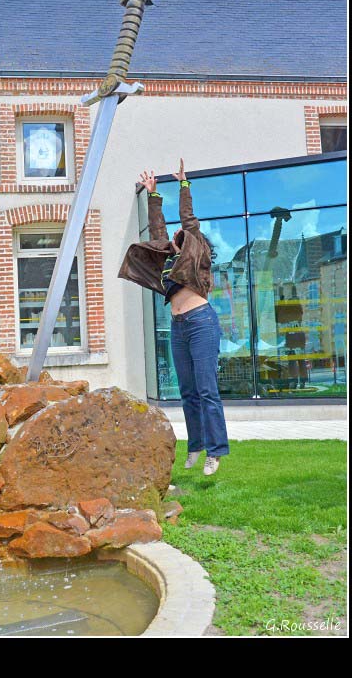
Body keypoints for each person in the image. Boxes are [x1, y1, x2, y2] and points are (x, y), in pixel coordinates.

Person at [118, 158, 230, 475]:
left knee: (207, 390)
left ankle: (215, 451)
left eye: (182, 234)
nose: (178, 233)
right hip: (178, 326)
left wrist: (183, 185)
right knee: (188, 392)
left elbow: (189, 222)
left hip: (201, 322)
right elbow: (158, 230)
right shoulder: (169, 257)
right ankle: (196, 446)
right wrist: (153, 194)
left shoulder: (197, 257)